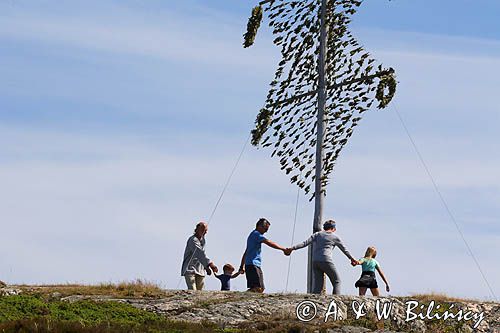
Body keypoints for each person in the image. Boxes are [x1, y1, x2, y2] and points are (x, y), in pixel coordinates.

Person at [285, 219, 357, 294]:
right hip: (326, 260)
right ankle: (335, 301)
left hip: (315, 261)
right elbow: (344, 250)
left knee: (318, 286)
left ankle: (313, 302)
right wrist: (352, 259)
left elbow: (304, 243)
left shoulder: (317, 234)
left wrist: (292, 248)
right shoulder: (335, 237)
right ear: (333, 228)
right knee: (337, 281)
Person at [239, 218, 287, 293]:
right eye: (265, 229)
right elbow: (268, 242)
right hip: (252, 264)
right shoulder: (256, 234)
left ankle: (247, 296)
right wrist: (283, 249)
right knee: (257, 288)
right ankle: (244, 296)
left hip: (254, 264)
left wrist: (241, 266)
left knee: (261, 288)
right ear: (260, 226)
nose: (265, 232)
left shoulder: (252, 236)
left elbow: (246, 252)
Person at [180, 221, 218, 291]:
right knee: (193, 291)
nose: (205, 232)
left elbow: (202, 255)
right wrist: (210, 264)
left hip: (200, 270)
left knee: (201, 293)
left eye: (206, 230)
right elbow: (199, 253)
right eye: (203, 229)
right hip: (190, 269)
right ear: (197, 229)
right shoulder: (193, 239)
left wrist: (206, 268)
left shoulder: (203, 240)